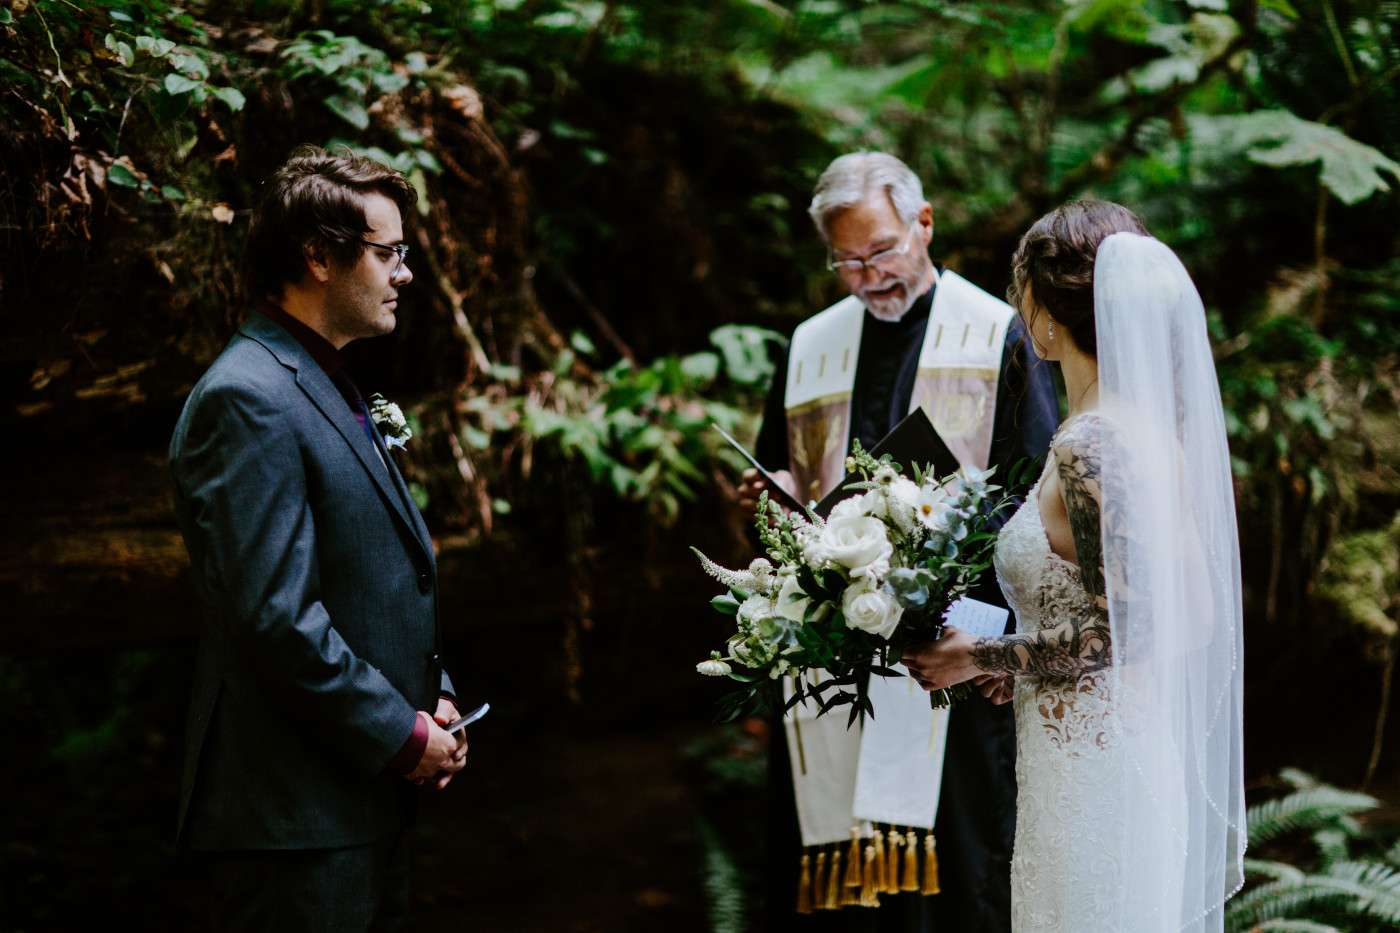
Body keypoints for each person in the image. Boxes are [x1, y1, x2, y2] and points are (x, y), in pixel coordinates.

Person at [901, 200, 1247, 931]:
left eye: (1019, 288)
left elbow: (1127, 632)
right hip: (1102, 751)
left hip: (1095, 774)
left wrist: (980, 654)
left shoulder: (1091, 444)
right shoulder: (1148, 429)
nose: (1014, 306)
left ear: (1050, 314)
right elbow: (1193, 615)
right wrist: (1018, 663)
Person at [741, 151, 1059, 933]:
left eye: (880, 250)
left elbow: (1041, 500)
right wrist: (772, 496)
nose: (866, 274)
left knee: (951, 883)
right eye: (846, 260)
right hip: (830, 664)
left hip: (950, 664)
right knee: (827, 883)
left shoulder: (997, 335)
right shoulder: (808, 345)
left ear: (923, 223)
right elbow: (777, 481)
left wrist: (984, 634)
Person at [169, 146, 468, 932]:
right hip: (291, 824)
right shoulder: (247, 396)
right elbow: (275, 619)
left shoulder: (320, 379)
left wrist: (432, 701)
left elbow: (367, 577)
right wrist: (402, 735)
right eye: (388, 253)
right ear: (320, 256)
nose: (404, 272)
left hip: (353, 806)